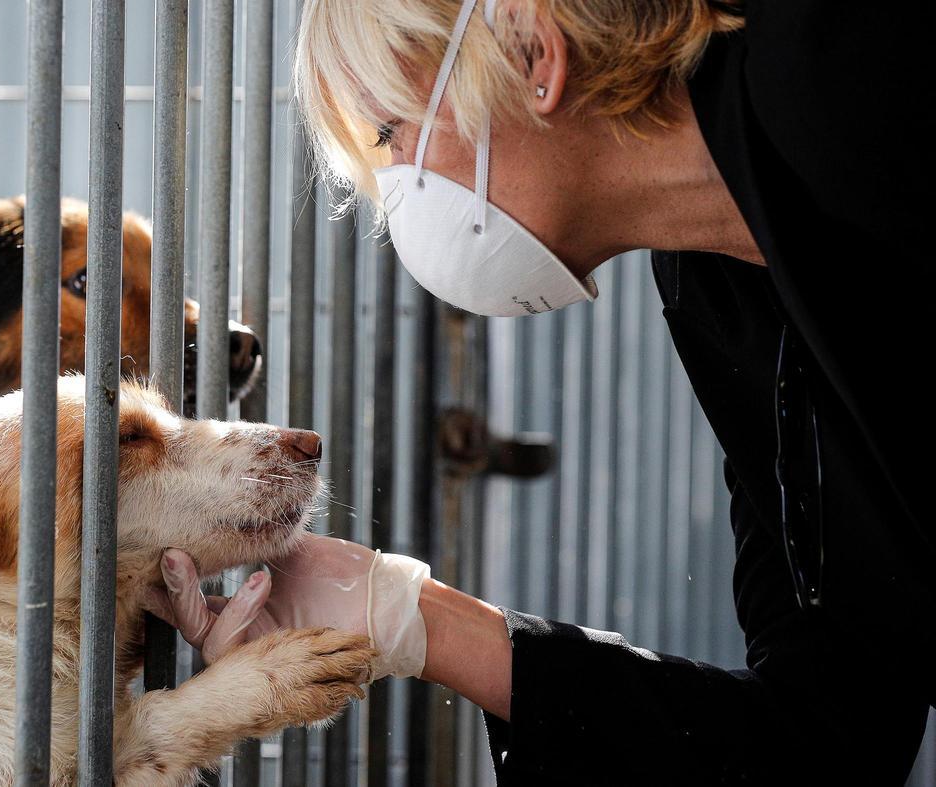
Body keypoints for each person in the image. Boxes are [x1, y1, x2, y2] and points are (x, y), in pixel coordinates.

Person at [151, 0, 935, 782]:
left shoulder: (850, 63)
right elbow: (826, 733)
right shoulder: (715, 288)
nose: (395, 192)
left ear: (533, 52)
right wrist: (404, 616)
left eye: (390, 132)